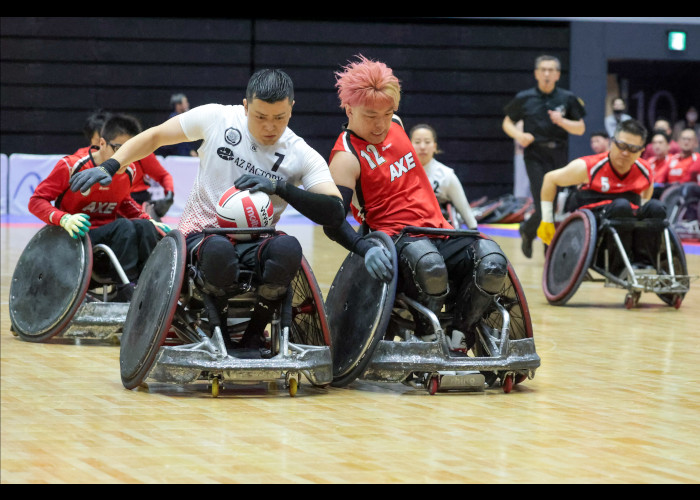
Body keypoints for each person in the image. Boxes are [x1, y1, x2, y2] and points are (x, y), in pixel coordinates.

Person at [68, 69, 345, 356]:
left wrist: (281, 187)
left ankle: (253, 334)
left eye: (280, 117)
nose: (270, 127)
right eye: (260, 116)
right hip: (202, 234)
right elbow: (156, 136)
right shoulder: (218, 118)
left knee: (289, 247)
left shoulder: (300, 153)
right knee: (219, 251)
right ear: (246, 106)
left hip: (257, 240)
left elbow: (335, 211)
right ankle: (221, 331)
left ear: (292, 108)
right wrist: (110, 166)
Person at [323, 55, 509, 350]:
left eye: (387, 113)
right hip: (397, 239)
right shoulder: (345, 158)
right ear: (348, 108)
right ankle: (427, 338)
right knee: (430, 265)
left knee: (493, 261)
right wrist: (363, 248)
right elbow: (332, 224)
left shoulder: (396, 124)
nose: (380, 124)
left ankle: (460, 336)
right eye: (371, 116)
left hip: (441, 231)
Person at [29, 114, 171, 301]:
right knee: (125, 227)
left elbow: (125, 202)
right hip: (73, 241)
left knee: (144, 228)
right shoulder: (71, 165)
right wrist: (63, 218)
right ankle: (126, 290)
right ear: (102, 143)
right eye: (119, 149)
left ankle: (149, 286)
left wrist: (151, 221)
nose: (125, 157)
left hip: (109, 244)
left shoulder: (129, 171)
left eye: (132, 151)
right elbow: (36, 201)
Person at [537, 119, 666, 273]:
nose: (625, 153)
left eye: (632, 149)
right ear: (612, 143)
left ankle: (645, 264)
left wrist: (643, 213)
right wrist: (547, 220)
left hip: (625, 218)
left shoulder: (645, 170)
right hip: (597, 219)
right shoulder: (588, 166)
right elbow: (550, 179)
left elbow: (646, 195)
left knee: (657, 208)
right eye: (621, 145)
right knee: (621, 206)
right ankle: (617, 267)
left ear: (641, 151)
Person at [502, 54, 586, 258]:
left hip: (558, 153)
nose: (547, 74)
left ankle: (528, 230)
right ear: (536, 73)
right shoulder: (525, 97)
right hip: (534, 154)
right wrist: (519, 135)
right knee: (543, 203)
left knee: (552, 202)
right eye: (543, 70)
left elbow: (580, 129)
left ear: (557, 75)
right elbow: (506, 123)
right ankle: (550, 249)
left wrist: (563, 121)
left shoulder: (567, 98)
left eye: (551, 70)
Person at [76, 113, 176, 221]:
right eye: (97, 141)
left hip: (136, 200)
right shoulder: (81, 158)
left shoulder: (139, 152)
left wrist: (169, 194)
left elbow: (163, 175)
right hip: (102, 205)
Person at [408, 123, 478, 229]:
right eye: (417, 142)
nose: (422, 147)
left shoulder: (446, 175)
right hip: (407, 229)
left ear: (434, 147)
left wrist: (474, 230)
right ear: (409, 145)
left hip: (439, 230)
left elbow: (465, 211)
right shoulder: (399, 172)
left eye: (427, 142)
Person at [155, 93, 200, 157]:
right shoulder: (174, 120)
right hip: (177, 155)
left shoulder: (183, 118)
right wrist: (189, 151)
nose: (188, 104)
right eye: (185, 102)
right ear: (178, 105)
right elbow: (179, 140)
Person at [647, 130, 672, 197]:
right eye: (654, 143)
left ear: (668, 145)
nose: (657, 145)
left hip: (665, 193)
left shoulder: (673, 161)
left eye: (660, 143)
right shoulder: (649, 161)